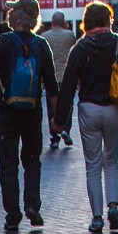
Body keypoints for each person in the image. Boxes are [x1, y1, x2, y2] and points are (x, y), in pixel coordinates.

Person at [53, 1, 118, 234]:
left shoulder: (79, 49)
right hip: (116, 109)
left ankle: (97, 217)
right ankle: (113, 206)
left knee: (93, 165)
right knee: (111, 160)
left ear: (86, 22)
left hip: (89, 110)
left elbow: (68, 88)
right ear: (108, 20)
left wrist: (60, 119)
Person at [0, 0, 59, 230]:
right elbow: (52, 85)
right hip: (33, 113)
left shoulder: (3, 43)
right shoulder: (41, 46)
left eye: (13, 11)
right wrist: (57, 118)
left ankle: (13, 215)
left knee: (8, 164)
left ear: (21, 17)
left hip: (6, 113)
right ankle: (32, 205)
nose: (9, 14)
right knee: (32, 161)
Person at [43, 12, 76, 146]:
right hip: (66, 76)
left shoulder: (45, 36)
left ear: (52, 22)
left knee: (52, 107)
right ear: (63, 22)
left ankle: (54, 137)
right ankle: (65, 129)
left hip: (51, 76)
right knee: (67, 105)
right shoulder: (70, 35)